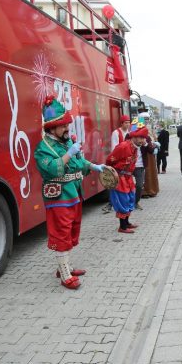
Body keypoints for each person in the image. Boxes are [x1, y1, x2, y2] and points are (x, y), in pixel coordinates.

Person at [34, 96, 107, 290]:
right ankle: (65, 275)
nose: (68, 129)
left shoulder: (65, 143)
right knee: (62, 234)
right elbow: (52, 170)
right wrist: (69, 153)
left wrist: (94, 166)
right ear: (52, 128)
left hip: (74, 194)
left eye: (68, 125)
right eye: (64, 126)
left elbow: (78, 163)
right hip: (59, 197)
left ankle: (64, 266)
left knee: (72, 231)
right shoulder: (44, 148)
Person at [106, 126, 147, 234]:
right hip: (120, 178)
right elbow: (109, 160)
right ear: (134, 137)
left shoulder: (135, 148)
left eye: (144, 138)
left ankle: (127, 223)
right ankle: (122, 227)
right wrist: (114, 174)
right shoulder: (123, 146)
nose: (143, 140)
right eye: (141, 138)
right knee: (123, 200)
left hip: (128, 177)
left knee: (130, 198)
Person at [102, 115, 132, 214]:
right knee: (115, 185)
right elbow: (114, 149)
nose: (128, 124)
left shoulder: (129, 133)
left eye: (129, 122)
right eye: (126, 123)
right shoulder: (116, 133)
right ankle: (111, 204)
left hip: (127, 163)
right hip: (118, 162)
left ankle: (127, 203)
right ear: (121, 123)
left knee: (126, 185)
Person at [140, 113, 160, 198]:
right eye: (145, 118)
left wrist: (154, 144)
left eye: (148, 118)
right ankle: (145, 191)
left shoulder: (149, 127)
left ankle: (152, 189)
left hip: (150, 151)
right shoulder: (138, 128)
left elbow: (153, 138)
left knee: (152, 171)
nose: (147, 120)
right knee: (146, 172)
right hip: (144, 153)